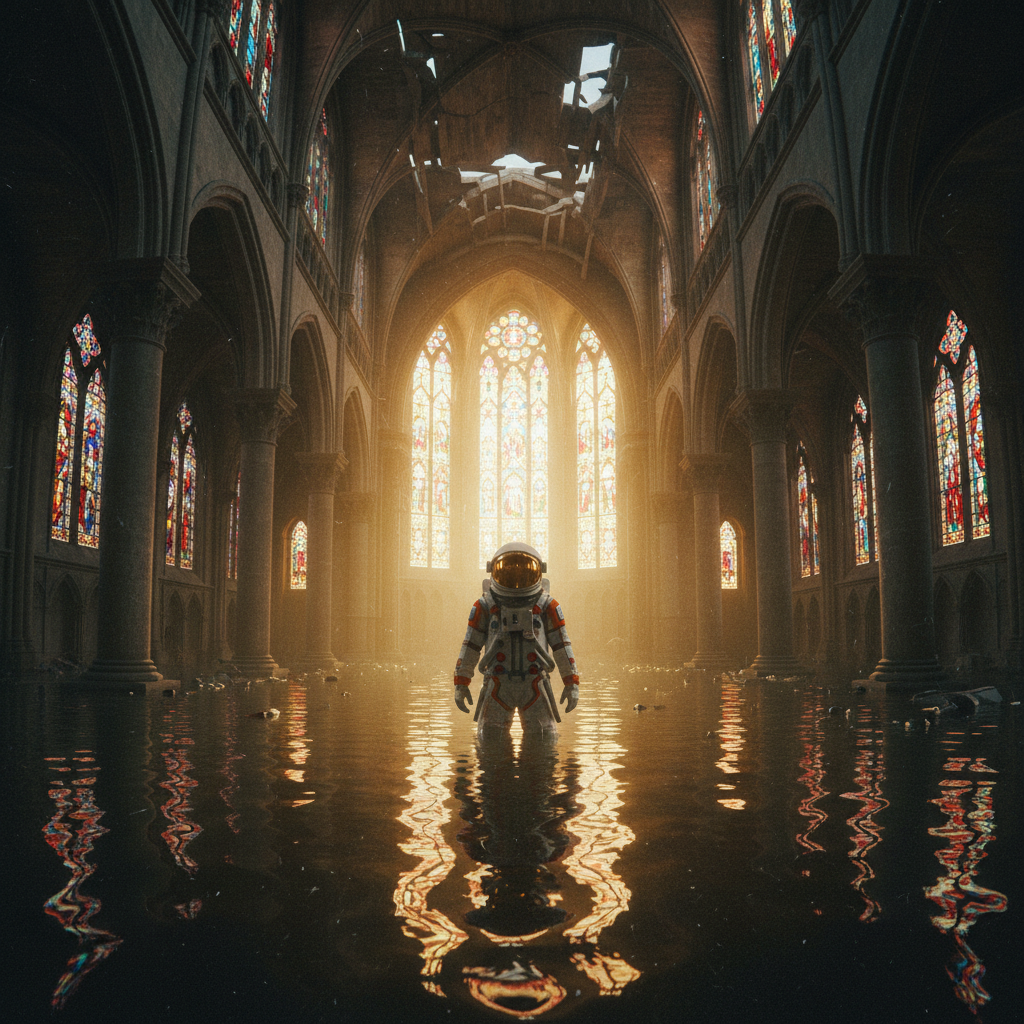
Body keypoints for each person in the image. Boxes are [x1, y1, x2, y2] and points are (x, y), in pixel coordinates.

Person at [453, 542, 579, 734]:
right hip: (498, 683)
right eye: (509, 570)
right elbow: (471, 646)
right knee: (491, 737)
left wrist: (571, 683)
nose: (517, 577)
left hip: (534, 683)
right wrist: (461, 683)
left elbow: (561, 646)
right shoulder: (485, 606)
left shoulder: (547, 606)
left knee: (543, 738)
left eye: (524, 570)